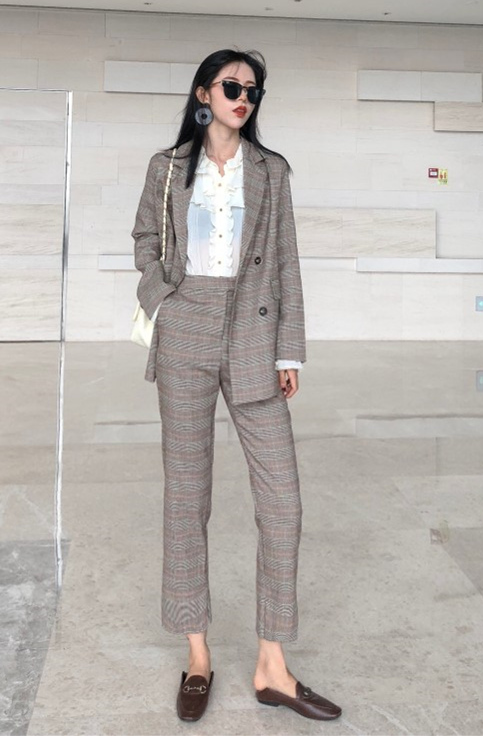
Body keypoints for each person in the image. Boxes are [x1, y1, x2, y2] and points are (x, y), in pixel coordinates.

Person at [132, 49, 341, 723]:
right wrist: (164, 299)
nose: (243, 96)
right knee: (186, 497)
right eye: (231, 86)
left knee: (282, 502)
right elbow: (144, 238)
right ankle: (198, 654)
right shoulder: (168, 168)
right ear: (203, 93)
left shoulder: (271, 171)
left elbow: (286, 262)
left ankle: (271, 664)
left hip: (253, 333)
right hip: (186, 329)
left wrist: (289, 349)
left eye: (253, 89)